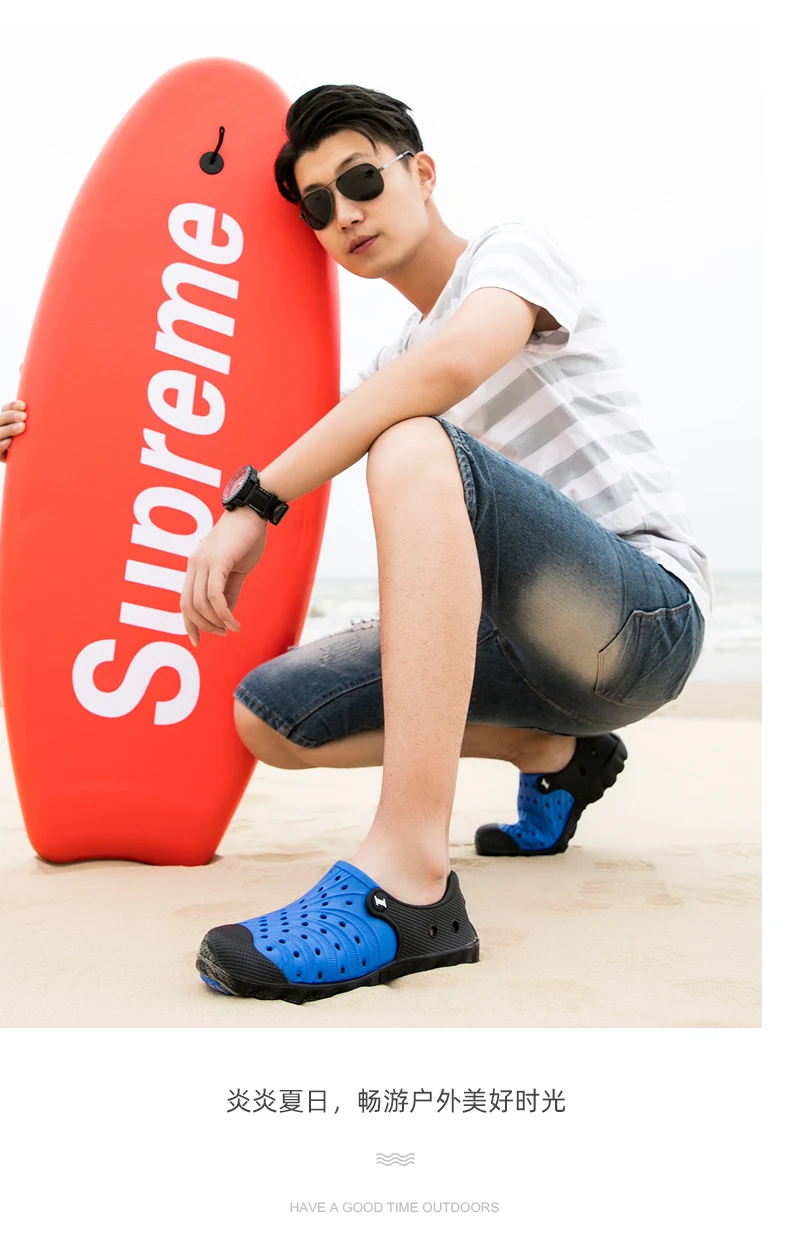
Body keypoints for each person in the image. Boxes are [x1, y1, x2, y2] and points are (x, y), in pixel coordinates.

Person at [2, 84, 712, 1006]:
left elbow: (450, 366)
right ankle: (555, 756)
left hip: (642, 616)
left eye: (362, 179)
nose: (343, 213)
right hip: (521, 654)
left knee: (409, 441)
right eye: (317, 204)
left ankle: (412, 882)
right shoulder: (389, 369)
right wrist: (49, 436)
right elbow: (226, 440)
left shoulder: (510, 255)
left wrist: (259, 501)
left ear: (423, 173)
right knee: (268, 716)